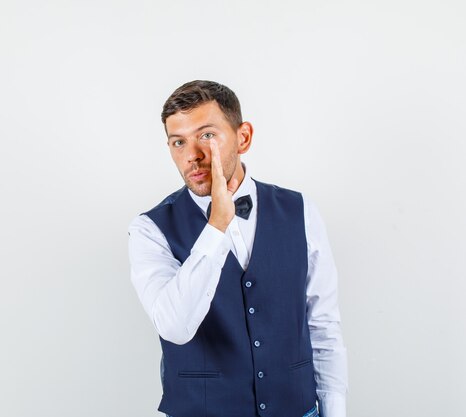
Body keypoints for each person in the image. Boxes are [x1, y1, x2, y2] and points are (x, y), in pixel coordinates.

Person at [128, 80, 348, 417]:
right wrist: (216, 226)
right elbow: (174, 326)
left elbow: (323, 326)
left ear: (243, 137)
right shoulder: (150, 229)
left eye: (207, 135)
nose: (192, 156)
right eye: (178, 142)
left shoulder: (299, 211)